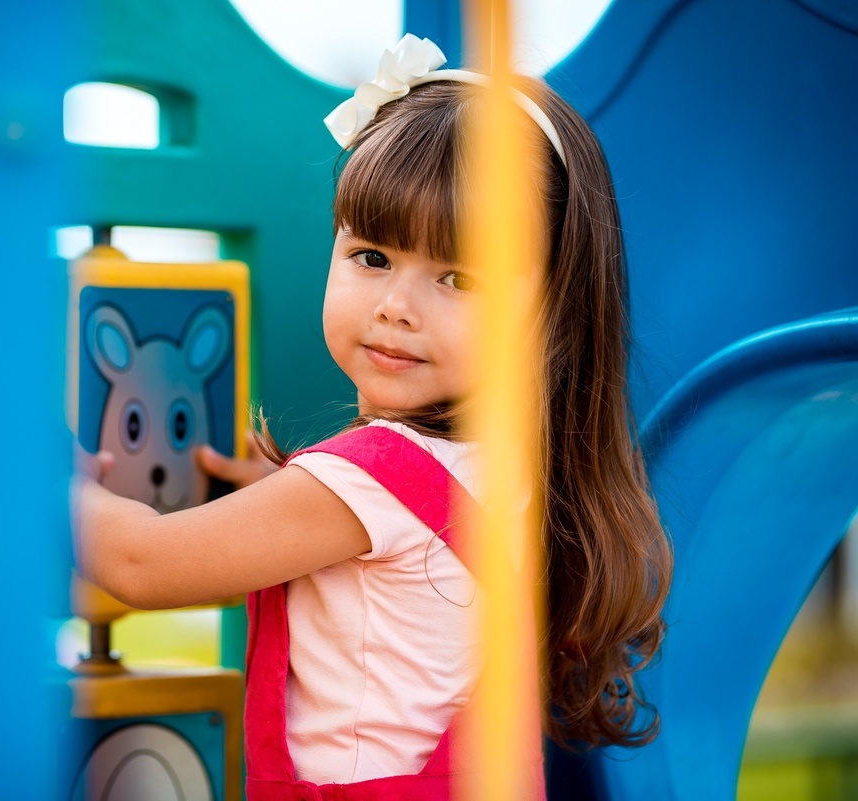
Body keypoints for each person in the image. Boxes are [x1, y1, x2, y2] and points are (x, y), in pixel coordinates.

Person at [73, 33, 673, 798]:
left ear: (548, 312)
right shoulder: (511, 466)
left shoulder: (371, 479)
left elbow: (140, 565)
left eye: (457, 276)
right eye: (372, 257)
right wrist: (283, 492)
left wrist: (48, 481)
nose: (396, 307)